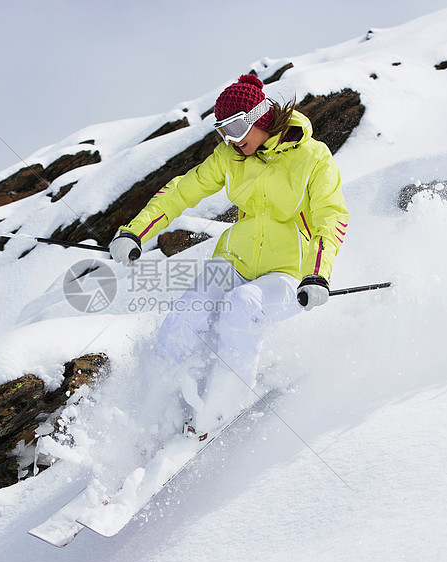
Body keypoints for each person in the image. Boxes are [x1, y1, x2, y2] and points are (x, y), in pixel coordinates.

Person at [108, 74, 349, 437]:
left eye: (237, 127)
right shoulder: (230, 156)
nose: (232, 139)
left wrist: (318, 274)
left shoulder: (312, 157)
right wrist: (135, 231)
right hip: (235, 257)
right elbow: (181, 191)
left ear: (261, 116)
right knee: (188, 312)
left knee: (242, 305)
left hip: (288, 270)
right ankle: (162, 411)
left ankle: (216, 412)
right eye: (223, 131)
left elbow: (331, 217)